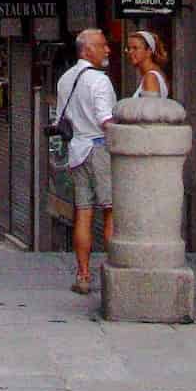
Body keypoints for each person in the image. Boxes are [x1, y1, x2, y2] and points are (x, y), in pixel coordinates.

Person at [55, 27, 118, 295]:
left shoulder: (65, 79)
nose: (108, 50)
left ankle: (83, 274)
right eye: (102, 45)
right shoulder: (99, 81)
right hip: (99, 148)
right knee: (111, 210)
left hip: (77, 150)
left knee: (83, 211)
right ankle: (115, 269)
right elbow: (106, 119)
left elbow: (62, 118)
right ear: (86, 50)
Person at [125, 28, 169, 98]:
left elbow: (150, 107)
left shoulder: (151, 77)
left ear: (149, 51)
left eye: (135, 48)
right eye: (129, 48)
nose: (130, 52)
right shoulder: (151, 75)